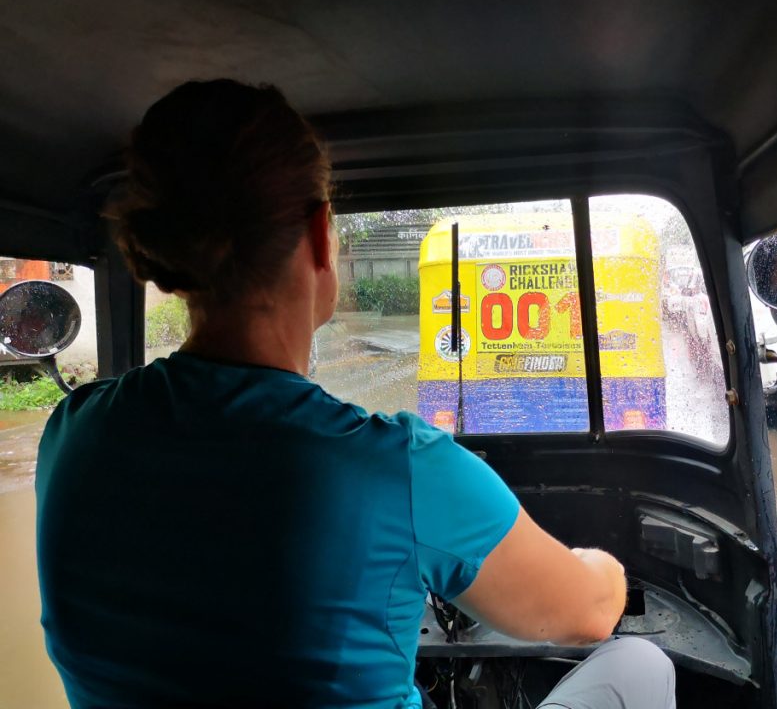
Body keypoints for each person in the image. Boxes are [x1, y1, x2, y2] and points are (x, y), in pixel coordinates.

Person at [35, 80, 676, 709]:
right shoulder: (397, 465)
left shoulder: (74, 433)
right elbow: (588, 614)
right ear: (319, 236)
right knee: (639, 663)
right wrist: (602, 564)